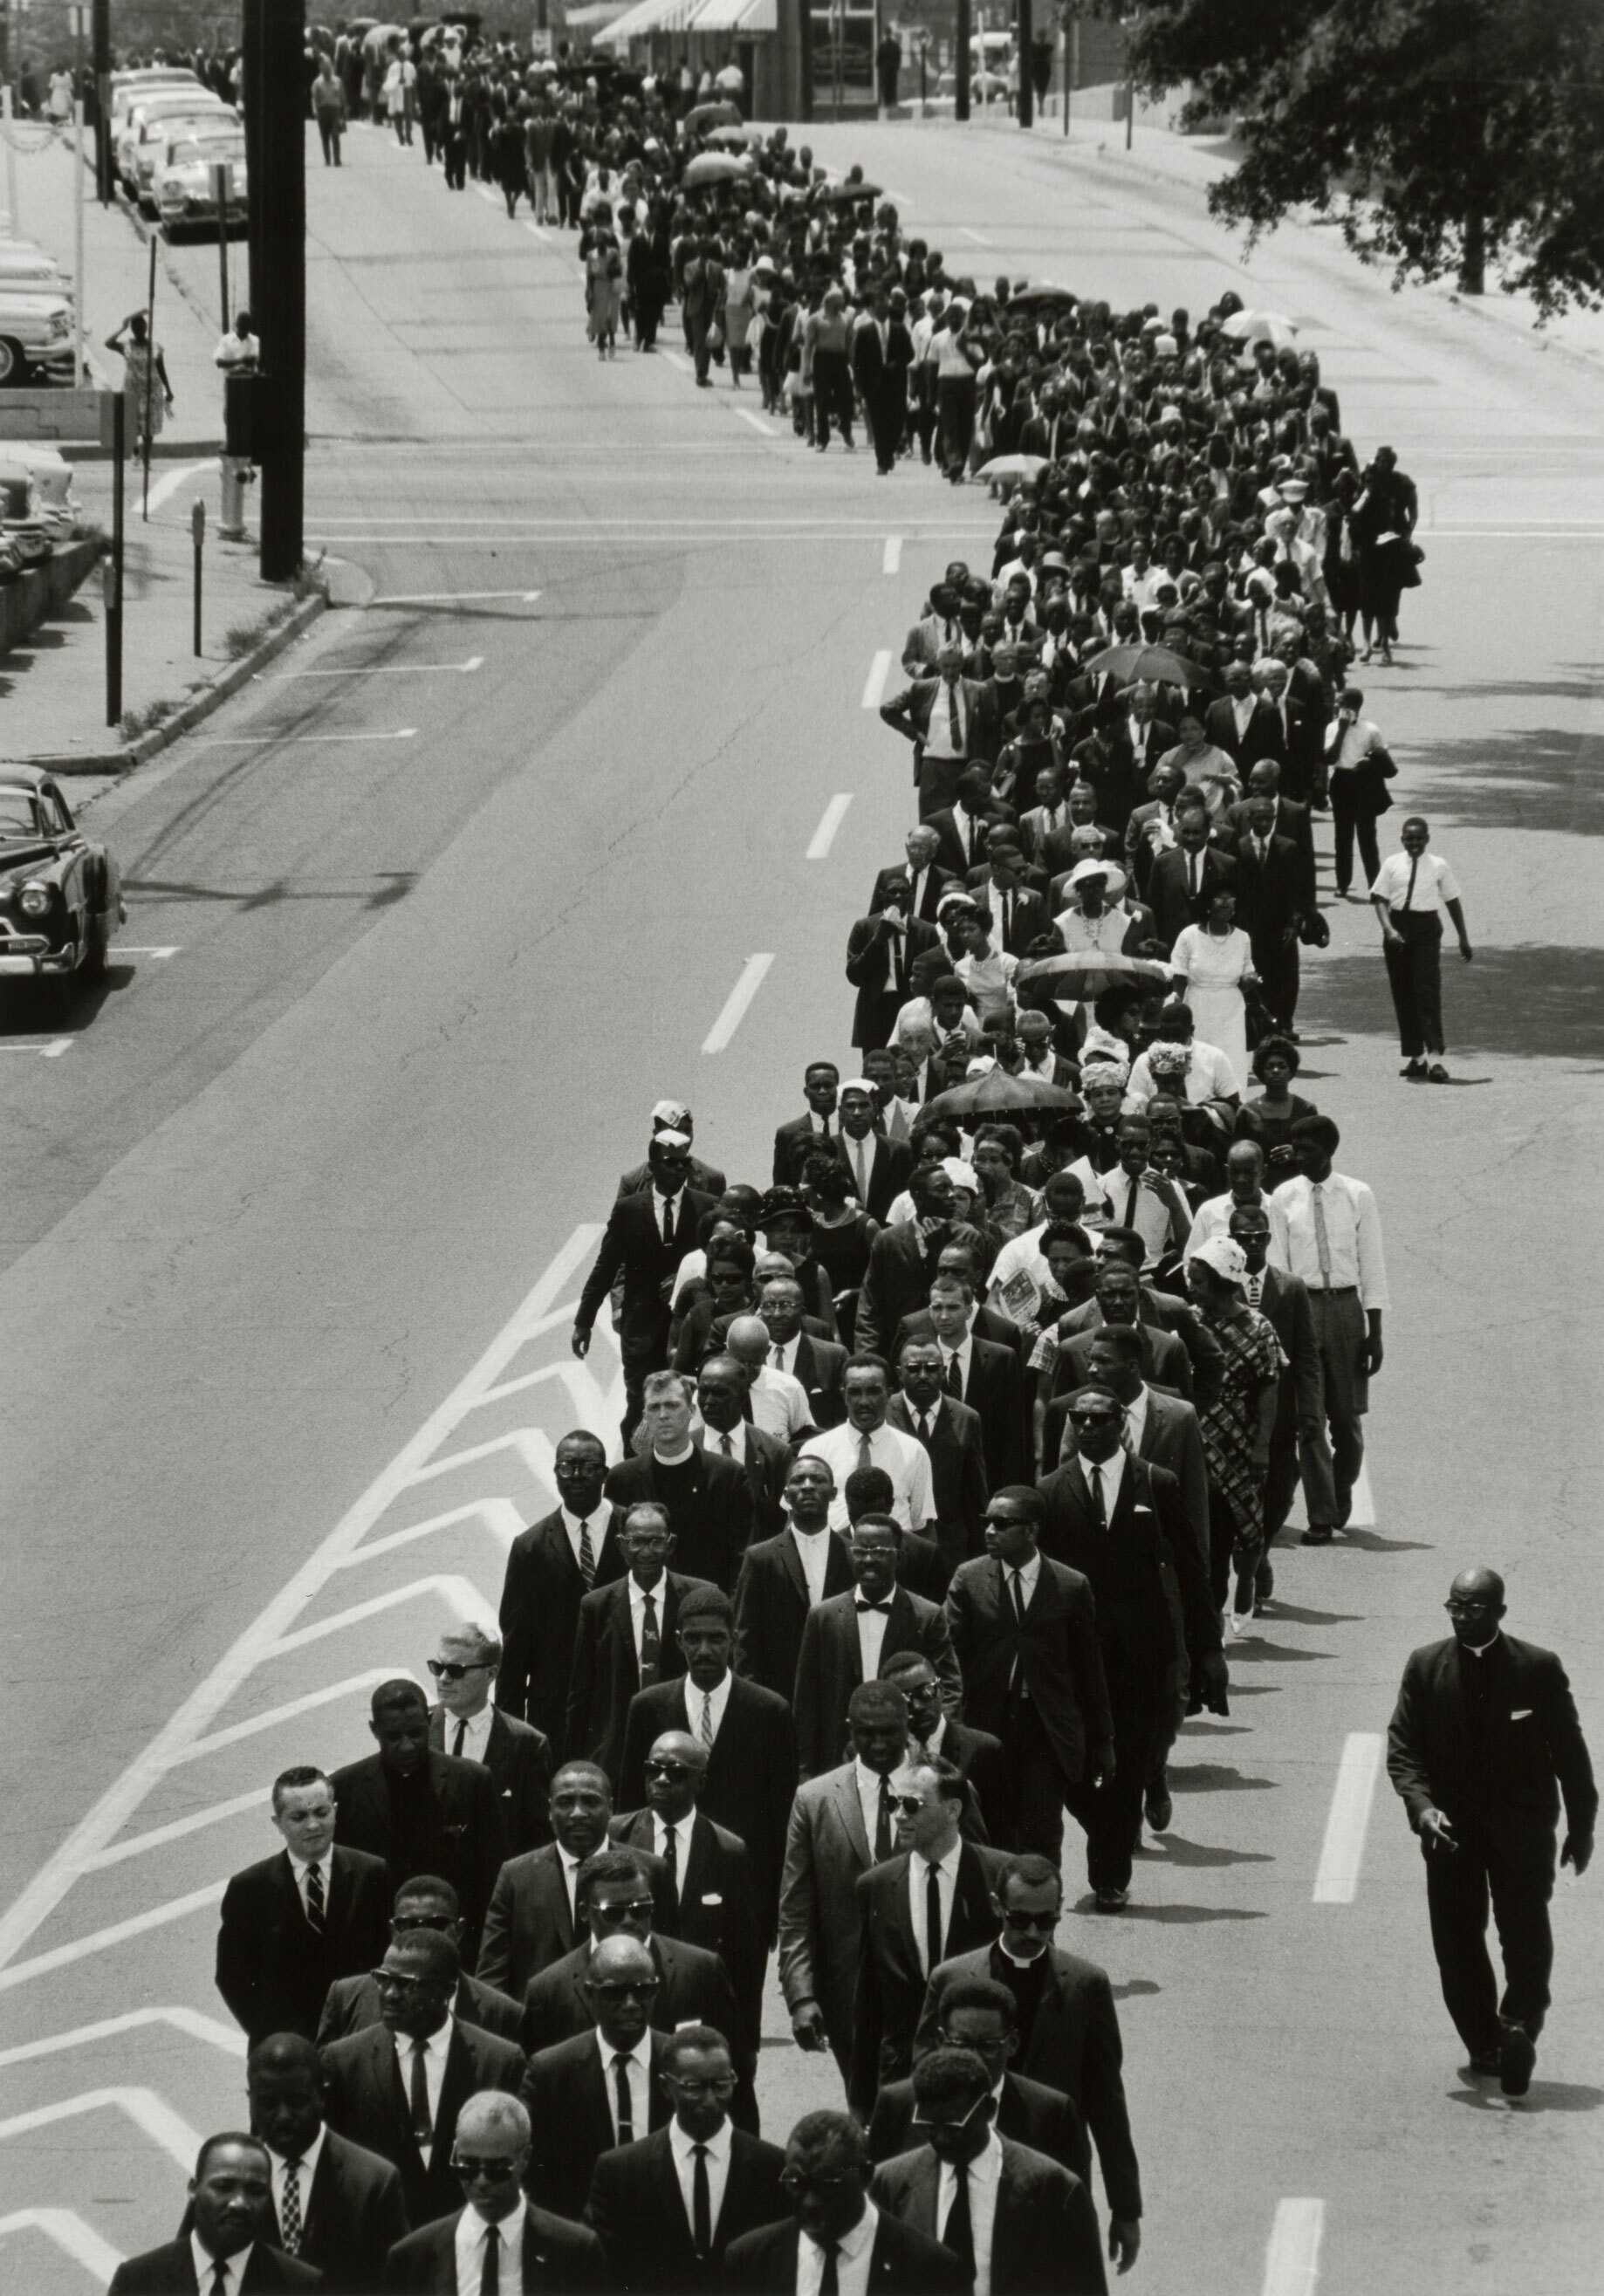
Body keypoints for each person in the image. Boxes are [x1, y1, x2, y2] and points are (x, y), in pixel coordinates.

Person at [1386, 1569, 1595, 2096]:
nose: (1461, 1616)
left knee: (1524, 1931)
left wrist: (1582, 1825)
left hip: (1521, 1830)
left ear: (1499, 1612)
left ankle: (1519, 2023)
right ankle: (1485, 2044)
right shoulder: (1425, 1666)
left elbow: (1570, 1753)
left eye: (1473, 1608)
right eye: (1454, 1606)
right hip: (1450, 1833)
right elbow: (1404, 1748)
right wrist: (1423, 1807)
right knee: (1456, 1941)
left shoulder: (1537, 1669)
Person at [917, 1855, 1142, 2273]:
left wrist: (1125, 2208)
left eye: (1048, 1920)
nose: (1034, 1933)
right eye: (1020, 1920)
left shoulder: (1086, 1987)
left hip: (1052, 2176)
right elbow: (923, 2083)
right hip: (964, 2169)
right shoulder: (951, 1979)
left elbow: (1107, 2102)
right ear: (996, 1906)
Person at [1039, 1396, 1225, 1901]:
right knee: (1074, 1769)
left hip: (1142, 1654)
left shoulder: (1157, 1484)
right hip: (1077, 1654)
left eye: (1101, 1419)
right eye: (1080, 1420)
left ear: (1122, 1424)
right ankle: (1108, 1827)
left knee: (1128, 1764)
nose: (1090, 1428)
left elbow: (1191, 1571)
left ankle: (1109, 1878)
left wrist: (1208, 1646)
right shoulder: (1051, 1492)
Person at [943, 1489, 1113, 1861]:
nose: (990, 1531)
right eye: (987, 1522)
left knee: (1041, 1827)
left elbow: (1089, 1669)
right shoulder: (968, 1579)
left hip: (1044, 1727)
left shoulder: (1071, 1585)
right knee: (993, 1825)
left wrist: (1102, 1740)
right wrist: (951, 1724)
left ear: (1032, 1531)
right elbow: (949, 1658)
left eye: (1002, 1524)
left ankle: (1041, 1906)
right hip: (987, 1723)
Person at [619, 1584, 797, 1938]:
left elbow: (782, 1817)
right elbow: (630, 1806)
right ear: (678, 1640)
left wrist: (775, 1906)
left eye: (716, 1639)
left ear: (733, 1640)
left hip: (744, 1892)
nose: (704, 1650)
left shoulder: (769, 1711)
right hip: (663, 1885)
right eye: (693, 1638)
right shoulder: (647, 1707)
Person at [319, 1929, 524, 2232]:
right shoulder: (343, 2062)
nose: (389, 1994)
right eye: (383, 1979)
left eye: (406, 1985)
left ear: (447, 1991)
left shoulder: (499, 2061)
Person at [869, 2046, 1108, 2295]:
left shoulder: (1056, 2190)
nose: (940, 2139)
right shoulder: (889, 2184)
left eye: (953, 2125)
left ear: (990, 2109)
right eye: (929, 2126)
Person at [847, 1756, 1007, 2114]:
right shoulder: (876, 1887)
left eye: (911, 1805)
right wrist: (861, 2105)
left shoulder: (998, 1875)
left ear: (953, 1810)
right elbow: (867, 2003)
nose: (899, 1815)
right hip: (902, 2079)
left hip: (983, 2077)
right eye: (893, 1804)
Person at [584, 2025, 788, 2290]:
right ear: (666, 2087)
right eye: (694, 2087)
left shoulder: (772, 2167)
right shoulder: (620, 2171)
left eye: (721, 2086)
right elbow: (608, 2272)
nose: (710, 2099)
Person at [778, 1680, 912, 2080]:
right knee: (866, 2110)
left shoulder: (942, 1786)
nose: (878, 1744)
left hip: (924, 1988)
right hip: (848, 1994)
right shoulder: (814, 1799)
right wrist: (800, 1996)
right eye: (865, 1733)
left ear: (907, 1725)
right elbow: (795, 1909)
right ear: (849, 1729)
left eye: (889, 1731)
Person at [609, 1727, 764, 2070]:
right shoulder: (617, 1835)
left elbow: (745, 1957)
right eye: (653, 1770)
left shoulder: (727, 1850)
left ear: (701, 1783)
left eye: (676, 1773)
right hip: (629, 2000)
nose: (661, 1780)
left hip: (697, 2009)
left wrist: (746, 2041)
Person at [328, 1679, 504, 1970]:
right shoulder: (346, 1789)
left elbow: (492, 1877)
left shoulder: (472, 1782)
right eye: (393, 1736)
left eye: (416, 1733)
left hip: (457, 1948)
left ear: (430, 1720)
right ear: (374, 1730)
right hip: (377, 1953)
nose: (407, 1745)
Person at [215, 1765, 391, 2046]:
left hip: (363, 2040)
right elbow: (233, 1977)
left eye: (321, 1813)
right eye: (299, 1817)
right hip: (286, 2051)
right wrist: (273, 2037)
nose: (313, 1825)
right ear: (278, 1823)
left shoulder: (373, 1873)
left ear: (335, 1811)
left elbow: (388, 1958)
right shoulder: (249, 1888)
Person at [1274, 1114, 1388, 1546]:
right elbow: (1280, 1266)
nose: (1301, 1158)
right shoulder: (1284, 1197)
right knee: (1309, 1421)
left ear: (1330, 1152)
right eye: (1296, 1150)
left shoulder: (1357, 1194)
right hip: (1301, 1310)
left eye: (1310, 1152)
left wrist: (1374, 1331)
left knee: (1347, 1421)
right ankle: (1320, 1515)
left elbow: (1372, 1264)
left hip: (1344, 1310)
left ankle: (1341, 1492)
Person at [867, 1971, 1091, 2190]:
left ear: (1012, 2043)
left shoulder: (1053, 2113)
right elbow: (875, 2200)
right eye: (961, 2043)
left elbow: (1072, 2209)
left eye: (988, 2046)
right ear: (940, 2040)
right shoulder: (898, 2104)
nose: (972, 2057)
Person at [476, 1759, 675, 2005]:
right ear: (549, 1810)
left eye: (591, 1801)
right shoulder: (516, 1876)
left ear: (610, 1808)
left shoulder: (650, 1871)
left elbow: (669, 1959)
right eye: (566, 1802)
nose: (578, 1813)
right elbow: (492, 1975)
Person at [572, 1130, 717, 1445]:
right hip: (641, 1329)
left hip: (687, 1329)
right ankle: (635, 1474)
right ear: (652, 1166)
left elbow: (718, 1263)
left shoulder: (706, 1206)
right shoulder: (628, 1210)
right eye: (671, 1163)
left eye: (685, 1163)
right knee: (641, 1404)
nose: (680, 1170)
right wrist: (584, 1321)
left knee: (688, 1403)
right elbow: (606, 1266)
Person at [379, 2089, 606, 2289]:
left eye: (496, 2169)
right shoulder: (411, 2258)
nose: (481, 2181)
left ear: (525, 2158)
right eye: (468, 2167)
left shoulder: (575, 2253)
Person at [232, 2033, 407, 2293]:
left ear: (322, 2096)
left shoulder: (373, 2181)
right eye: (268, 2103)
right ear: (250, 2099)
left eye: (296, 2102)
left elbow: (398, 2283)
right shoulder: (226, 2178)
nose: (283, 2116)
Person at [723, 2109, 969, 2293]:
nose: (810, 2202)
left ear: (866, 2176)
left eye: (828, 2183)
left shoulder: (930, 2268)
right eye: (797, 2183)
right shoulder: (750, 2260)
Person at [792, 1511, 961, 1778]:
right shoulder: (822, 1616)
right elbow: (806, 1702)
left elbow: (949, 1688)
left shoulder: (926, 1615)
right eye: (860, 1550)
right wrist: (806, 1771)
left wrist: (931, 1747)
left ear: (899, 1557)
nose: (868, 1559)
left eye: (879, 1551)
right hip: (838, 1758)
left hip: (908, 1757)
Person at [519, 1933, 674, 2220]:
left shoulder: (679, 2063)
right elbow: (533, 2173)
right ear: (590, 1994)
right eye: (615, 1992)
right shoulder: (550, 2073)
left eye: (642, 1991)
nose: (631, 2003)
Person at [497, 1430, 624, 1747]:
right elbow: (515, 1647)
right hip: (556, 1714)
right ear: (555, 1474)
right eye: (567, 1467)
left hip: (624, 1703)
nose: (577, 1476)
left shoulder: (635, 1531)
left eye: (589, 1467)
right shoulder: (530, 1547)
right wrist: (509, 1735)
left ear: (605, 1474)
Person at [1183, 1237, 1287, 1621]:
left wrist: (1261, 1446)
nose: (1192, 1289)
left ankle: (1247, 1577)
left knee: (1247, 1521)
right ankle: (1210, 1601)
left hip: (1240, 1435)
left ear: (1223, 1283)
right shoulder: (1189, 1322)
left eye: (1199, 1282)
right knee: (1204, 1519)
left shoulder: (1259, 1328)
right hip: (1196, 1428)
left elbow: (1269, 1386)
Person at [320, 1874, 522, 2048]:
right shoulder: (347, 1998)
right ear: (393, 1930)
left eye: (435, 1924)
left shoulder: (501, 2012)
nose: (420, 1935)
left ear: (459, 1931)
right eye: (407, 1924)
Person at [108, 2134, 323, 2293]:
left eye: (255, 2191)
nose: (239, 2203)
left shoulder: (301, 2286)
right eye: (224, 2186)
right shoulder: (138, 2281)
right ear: (193, 2189)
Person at [606, 1368, 755, 1592]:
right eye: (654, 1407)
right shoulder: (621, 1479)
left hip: (708, 1607)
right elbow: (616, 1557)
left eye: (672, 1405)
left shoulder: (728, 1476)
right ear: (645, 1415)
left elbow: (741, 1557)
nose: (663, 1415)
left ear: (692, 1411)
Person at [733, 1453, 855, 1697]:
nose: (808, 1486)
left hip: (841, 1691)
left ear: (833, 1493)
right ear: (786, 1496)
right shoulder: (760, 1558)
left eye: (817, 1480)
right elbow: (745, 1636)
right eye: (799, 1480)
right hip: (779, 1692)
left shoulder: (854, 1555)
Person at [426, 1620, 552, 1856]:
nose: (443, 1678)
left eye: (456, 1670)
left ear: (491, 1673)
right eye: (437, 1667)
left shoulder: (526, 1744)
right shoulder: (418, 1730)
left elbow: (537, 1837)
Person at [1369, 814, 1473, 1081]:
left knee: (1426, 991)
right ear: (1402, 839)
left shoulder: (1439, 865)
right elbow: (1379, 898)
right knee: (1403, 993)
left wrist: (1463, 937)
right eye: (1409, 838)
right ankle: (1417, 1058)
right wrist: (1389, 929)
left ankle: (1436, 1059)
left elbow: (1452, 900)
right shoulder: (1392, 863)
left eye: (1419, 838)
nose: (1413, 843)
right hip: (1398, 930)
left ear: (1427, 839)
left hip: (1426, 928)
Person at [799, 1355, 937, 1533]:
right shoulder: (815, 1451)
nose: (864, 1402)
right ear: (843, 1394)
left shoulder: (913, 1450)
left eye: (873, 1392)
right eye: (855, 1392)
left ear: (888, 1393)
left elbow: (922, 1525)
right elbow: (796, 1518)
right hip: (833, 1555)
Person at [889, 1335, 991, 1576]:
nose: (923, 1375)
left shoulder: (966, 1418)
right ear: (899, 1372)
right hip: (898, 1539)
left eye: (932, 1368)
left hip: (951, 1543)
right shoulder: (884, 1414)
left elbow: (975, 1491)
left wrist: (978, 1550)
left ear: (944, 1371)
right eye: (913, 1369)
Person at [1169, 886, 1256, 1081]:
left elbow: (1248, 972)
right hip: (1198, 1006)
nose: (1225, 903)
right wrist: (1179, 1009)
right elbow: (1179, 975)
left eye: (1230, 898)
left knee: (1231, 1062)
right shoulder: (1189, 935)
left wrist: (1250, 980)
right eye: (1219, 898)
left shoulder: (1243, 938)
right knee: (1199, 1063)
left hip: (1231, 1009)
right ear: (1207, 905)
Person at [1324, 686, 1396, 899]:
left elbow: (1383, 759)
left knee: (1367, 837)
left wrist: (1370, 762)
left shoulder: (1371, 729)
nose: (1338, 707)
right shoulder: (1331, 728)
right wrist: (1342, 730)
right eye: (1337, 703)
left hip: (1364, 783)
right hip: (1341, 781)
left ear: (1355, 707)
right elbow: (1329, 758)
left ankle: (1375, 886)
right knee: (1342, 836)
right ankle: (1342, 883)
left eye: (1342, 703)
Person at [106, 311, 174, 454]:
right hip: (132, 390)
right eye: (135, 328)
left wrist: (168, 390)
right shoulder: (127, 346)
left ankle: (146, 457)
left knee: (149, 427)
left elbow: (161, 369)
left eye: (141, 327)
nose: (139, 330)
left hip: (152, 391)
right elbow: (108, 343)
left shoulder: (156, 347)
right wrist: (122, 327)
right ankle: (136, 452)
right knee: (132, 424)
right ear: (132, 330)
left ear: (146, 327)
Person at [311, 59, 346, 164]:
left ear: (331, 68)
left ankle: (337, 159)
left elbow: (342, 96)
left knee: (335, 135)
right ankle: (327, 159)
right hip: (323, 110)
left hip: (335, 110)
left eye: (329, 68)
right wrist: (315, 111)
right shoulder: (317, 82)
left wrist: (343, 112)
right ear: (321, 69)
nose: (327, 71)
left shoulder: (338, 81)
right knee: (324, 136)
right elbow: (314, 98)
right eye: (324, 68)